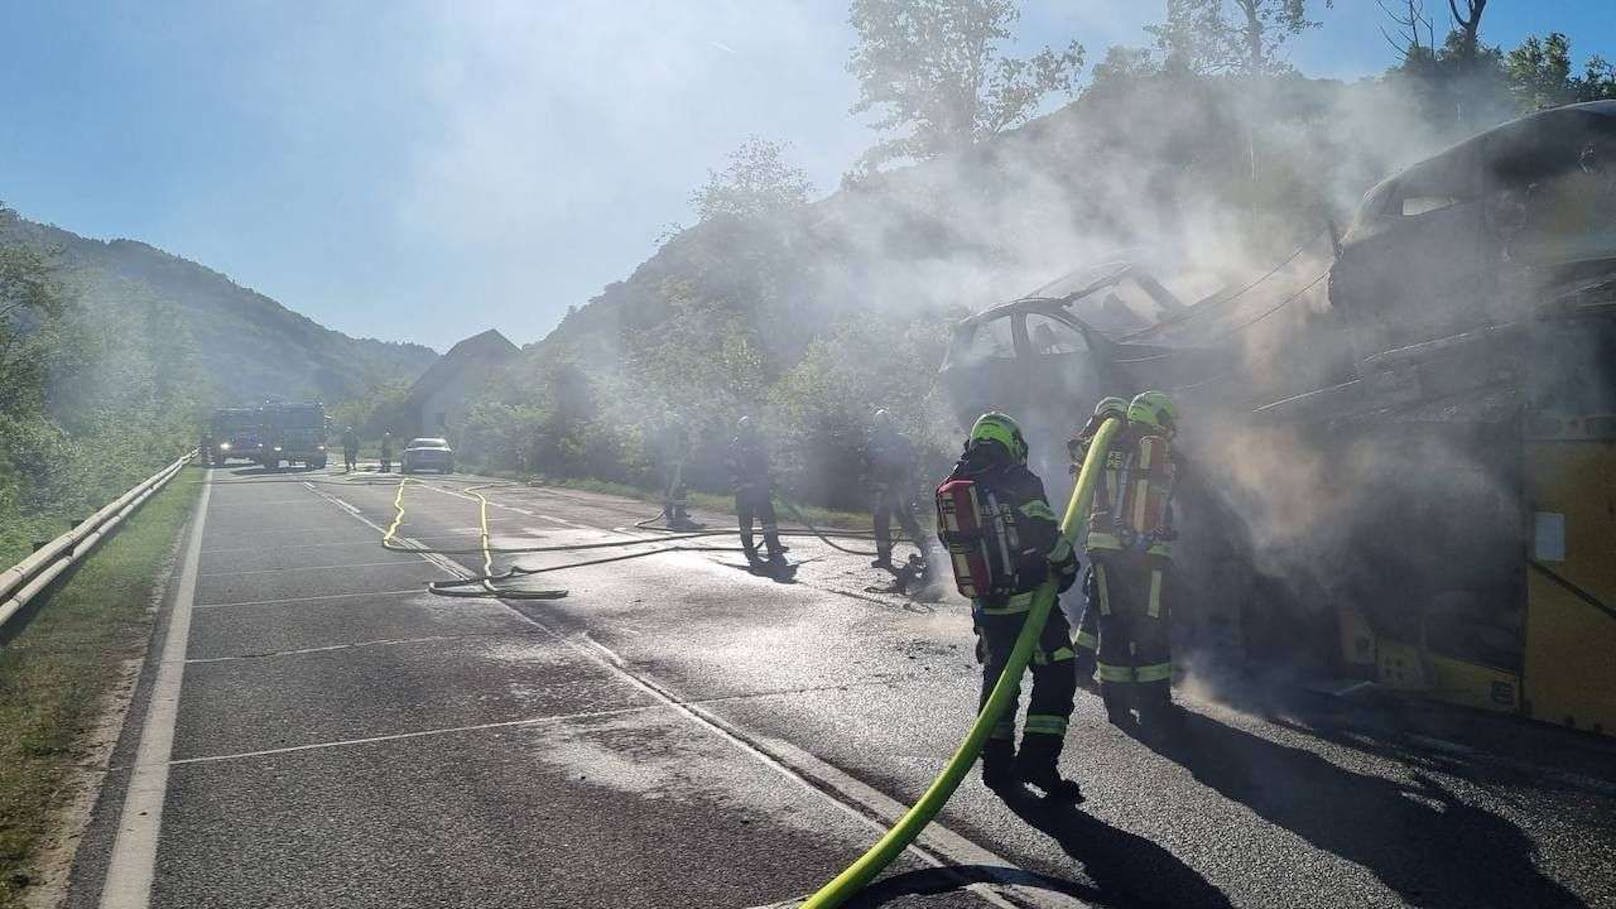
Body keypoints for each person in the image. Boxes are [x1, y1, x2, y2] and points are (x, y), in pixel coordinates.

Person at [942, 412, 1083, 801]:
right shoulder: (1019, 480)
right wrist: (1067, 565)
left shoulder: (955, 484)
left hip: (986, 607)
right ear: (1013, 444)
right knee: (1057, 672)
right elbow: (1044, 532)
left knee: (999, 681)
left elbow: (951, 541)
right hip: (1029, 604)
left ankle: (995, 762)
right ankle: (1038, 760)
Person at [1084, 391, 1179, 732]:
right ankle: (1155, 706)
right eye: (1170, 423)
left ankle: (1118, 706)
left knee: (1112, 623)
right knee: (1151, 623)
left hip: (1103, 550)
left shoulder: (1104, 444)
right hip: (1149, 554)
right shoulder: (1160, 451)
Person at [1066, 396, 1132, 687]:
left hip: (1100, 539)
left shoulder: (1094, 447)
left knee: (1095, 599)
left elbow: (1075, 448)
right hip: (1121, 542)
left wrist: (1092, 426)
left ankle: (1081, 662)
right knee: (1108, 605)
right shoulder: (1131, 446)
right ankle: (1102, 669)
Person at [865, 408, 925, 571]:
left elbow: (911, 464)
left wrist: (906, 484)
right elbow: (869, 466)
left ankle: (927, 551)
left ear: (890, 425)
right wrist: (872, 483)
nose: (882, 428)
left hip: (898, 490)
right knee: (880, 523)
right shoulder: (873, 443)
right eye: (879, 425)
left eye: (884, 425)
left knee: (906, 521)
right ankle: (884, 558)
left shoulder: (901, 442)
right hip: (881, 491)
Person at [727, 416, 786, 569]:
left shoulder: (758, 445)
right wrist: (742, 483)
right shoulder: (736, 446)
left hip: (759, 489)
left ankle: (772, 546)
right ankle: (749, 548)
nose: (749, 432)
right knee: (746, 522)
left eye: (751, 429)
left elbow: (767, 465)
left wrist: (772, 481)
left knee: (768, 519)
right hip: (745, 490)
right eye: (747, 429)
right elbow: (731, 468)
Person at [659, 416, 696, 529]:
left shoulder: (678, 435)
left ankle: (678, 514)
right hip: (673, 468)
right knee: (673, 490)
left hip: (679, 467)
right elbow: (671, 452)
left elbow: (687, 451)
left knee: (680, 490)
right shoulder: (672, 436)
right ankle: (672, 515)